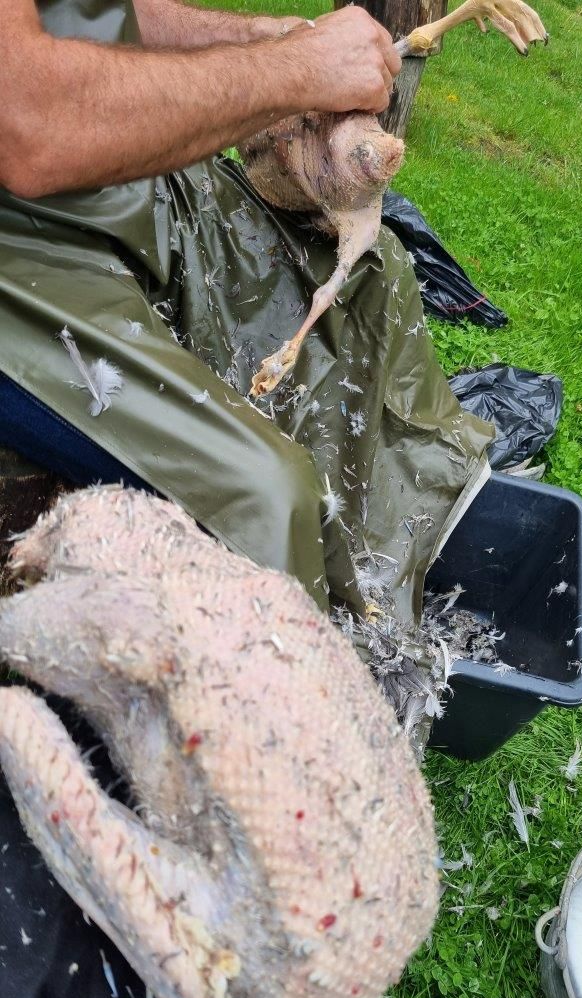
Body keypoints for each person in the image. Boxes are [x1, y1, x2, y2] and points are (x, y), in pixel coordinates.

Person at [0, 0, 491, 619]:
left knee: (371, 270)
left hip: (90, 180)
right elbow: (29, 123)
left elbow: (83, 12)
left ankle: (398, 533)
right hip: (21, 219)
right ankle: (277, 681)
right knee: (269, 501)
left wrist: (262, 38)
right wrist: (295, 68)